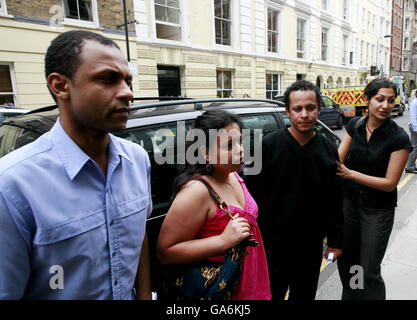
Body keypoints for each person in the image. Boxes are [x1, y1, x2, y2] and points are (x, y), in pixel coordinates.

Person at [0, 30, 152, 299]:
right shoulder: (12, 185)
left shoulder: (137, 160)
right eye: (108, 79)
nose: (128, 93)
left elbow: (138, 239)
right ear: (60, 86)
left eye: (128, 81)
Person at [244, 80, 343, 300]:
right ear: (288, 111)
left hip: (310, 247)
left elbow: (334, 199)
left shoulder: (328, 149)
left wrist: (335, 241)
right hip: (271, 246)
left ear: (318, 109)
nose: (304, 114)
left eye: (310, 108)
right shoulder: (268, 146)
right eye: (297, 109)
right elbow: (251, 196)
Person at [157, 109, 271, 300]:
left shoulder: (232, 174)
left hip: (253, 283)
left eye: (240, 141)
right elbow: (165, 252)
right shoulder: (196, 191)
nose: (240, 149)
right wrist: (223, 241)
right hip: (222, 291)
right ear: (206, 153)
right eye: (229, 145)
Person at [336, 78, 411, 300]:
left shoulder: (399, 138)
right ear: (367, 100)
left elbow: (389, 183)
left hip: (378, 211)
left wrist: (351, 174)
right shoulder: (355, 126)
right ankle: (352, 296)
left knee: (369, 270)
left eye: (390, 100)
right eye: (380, 99)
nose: (385, 105)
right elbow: (337, 161)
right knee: (349, 262)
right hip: (350, 205)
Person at [405, 90, 417, 174]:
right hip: (415, 128)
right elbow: (413, 116)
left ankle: (411, 165)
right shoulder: (414, 103)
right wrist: (416, 128)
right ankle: (409, 167)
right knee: (415, 147)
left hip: (415, 127)